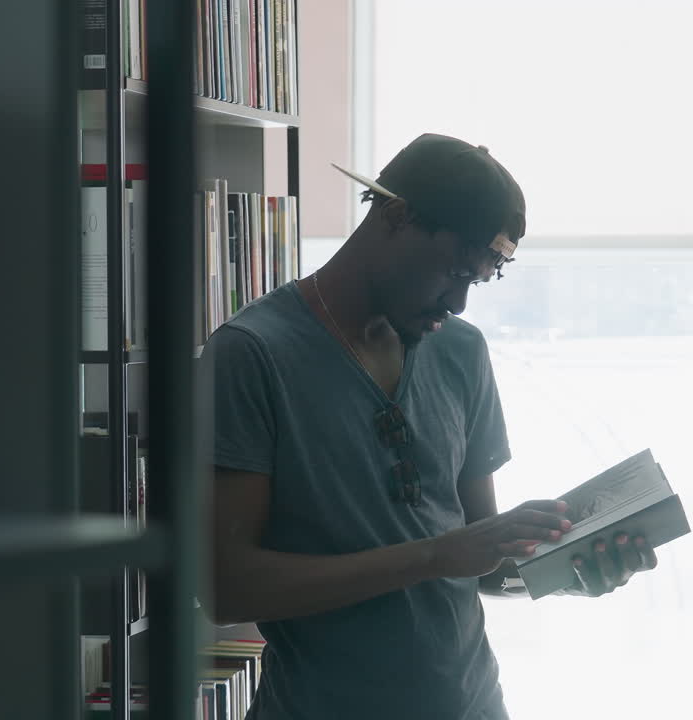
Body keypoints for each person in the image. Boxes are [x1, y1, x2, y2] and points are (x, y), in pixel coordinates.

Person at [201, 133, 659, 719]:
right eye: (451, 272)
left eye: (478, 280)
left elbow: (477, 559)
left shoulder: (461, 351)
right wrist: (436, 555)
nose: (461, 303)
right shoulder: (250, 355)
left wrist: (571, 570)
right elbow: (226, 587)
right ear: (396, 216)